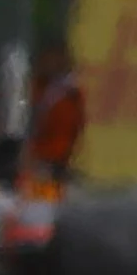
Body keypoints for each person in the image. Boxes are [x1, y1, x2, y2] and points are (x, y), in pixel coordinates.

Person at [21, 36, 86, 191]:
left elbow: (73, 127)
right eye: (46, 58)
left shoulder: (71, 92)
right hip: (38, 161)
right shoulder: (36, 88)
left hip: (57, 160)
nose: (49, 62)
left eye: (54, 57)